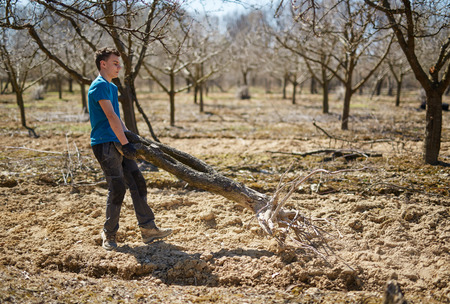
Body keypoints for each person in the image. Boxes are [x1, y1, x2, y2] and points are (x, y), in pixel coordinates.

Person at [88, 47, 172, 250]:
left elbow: (118, 117)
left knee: (137, 181)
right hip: (104, 144)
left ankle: (148, 229)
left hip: (118, 139)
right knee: (117, 187)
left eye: (120, 63)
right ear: (103, 64)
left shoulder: (112, 87)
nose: (119, 67)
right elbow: (110, 117)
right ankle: (108, 234)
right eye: (115, 63)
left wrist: (130, 139)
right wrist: (125, 143)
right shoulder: (98, 87)